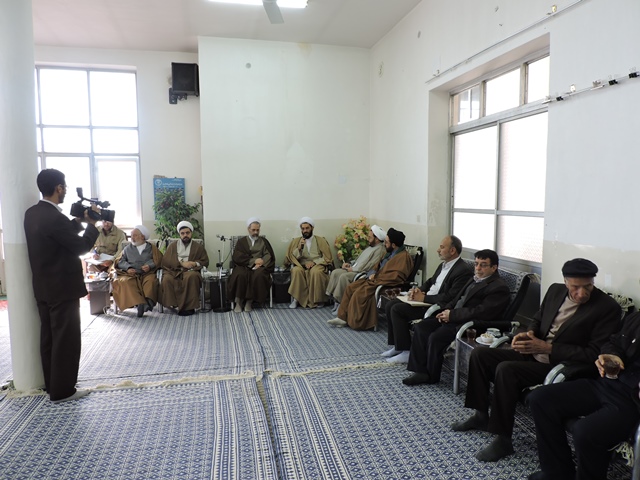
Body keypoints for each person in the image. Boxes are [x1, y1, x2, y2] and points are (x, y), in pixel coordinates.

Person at [451, 258, 622, 463]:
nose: (582, 293)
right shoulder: (555, 291)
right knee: (481, 355)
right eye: (576, 287)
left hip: (559, 365)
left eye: (588, 286)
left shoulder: (606, 307)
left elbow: (594, 353)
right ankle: (481, 415)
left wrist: (549, 348)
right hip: (535, 351)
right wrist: (529, 333)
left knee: (506, 369)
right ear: (566, 282)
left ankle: (503, 439)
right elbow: (538, 319)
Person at [527, 310, 640, 480]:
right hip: (606, 383)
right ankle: (556, 472)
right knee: (540, 399)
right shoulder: (636, 317)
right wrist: (611, 355)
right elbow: (614, 341)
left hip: (632, 401)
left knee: (585, 431)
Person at [24, 168, 100, 403]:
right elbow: (81, 247)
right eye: (64, 187)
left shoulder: (32, 213)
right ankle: (64, 391)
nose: (65, 191)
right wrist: (92, 225)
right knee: (66, 340)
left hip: (43, 287)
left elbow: (57, 234)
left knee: (49, 337)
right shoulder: (55, 218)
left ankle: (52, 385)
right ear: (59, 188)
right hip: (63, 288)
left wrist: (78, 221)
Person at [403, 249, 510, 386]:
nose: (478, 268)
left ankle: (431, 375)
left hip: (470, 324)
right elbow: (457, 299)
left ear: (494, 268)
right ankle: (420, 370)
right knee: (422, 327)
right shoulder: (474, 279)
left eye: (483, 265)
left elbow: (481, 312)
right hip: (453, 316)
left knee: (436, 337)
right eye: (476, 264)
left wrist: (452, 315)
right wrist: (445, 311)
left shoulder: (499, 287)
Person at [382, 235, 473, 364]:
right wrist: (418, 290)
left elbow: (450, 296)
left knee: (397, 309)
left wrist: (424, 298)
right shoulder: (443, 265)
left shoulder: (462, 270)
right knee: (390, 304)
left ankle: (406, 351)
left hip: (436, 306)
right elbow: (430, 281)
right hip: (426, 299)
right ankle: (397, 346)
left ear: (452, 250)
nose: (438, 250)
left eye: (442, 247)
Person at [327, 228, 413, 331]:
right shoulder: (389, 253)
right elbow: (377, 266)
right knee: (351, 288)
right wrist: (373, 274)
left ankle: (356, 322)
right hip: (376, 281)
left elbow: (396, 277)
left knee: (359, 293)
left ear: (394, 245)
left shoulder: (403, 257)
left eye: (386, 242)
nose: (384, 244)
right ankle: (342, 318)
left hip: (388, 286)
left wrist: (376, 278)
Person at [326, 225, 386, 315]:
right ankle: (335, 301)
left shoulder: (380, 250)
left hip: (361, 272)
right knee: (335, 272)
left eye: (370, 237)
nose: (368, 239)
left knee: (344, 277)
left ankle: (342, 304)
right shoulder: (370, 246)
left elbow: (370, 265)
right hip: (354, 268)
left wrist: (353, 269)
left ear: (377, 239)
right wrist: (349, 264)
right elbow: (359, 259)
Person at [159, 221, 209, 316]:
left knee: (191, 277)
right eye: (182, 233)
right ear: (179, 234)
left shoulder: (198, 247)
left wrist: (194, 263)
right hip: (174, 270)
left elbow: (205, 261)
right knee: (167, 279)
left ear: (191, 233)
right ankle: (174, 304)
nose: (185, 235)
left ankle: (189, 307)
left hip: (190, 270)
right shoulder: (172, 246)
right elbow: (166, 261)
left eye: (187, 233)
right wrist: (181, 263)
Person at [112, 225, 162, 317]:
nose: (132, 238)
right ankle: (140, 303)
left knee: (151, 282)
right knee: (125, 281)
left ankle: (147, 304)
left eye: (135, 235)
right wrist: (128, 268)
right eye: (131, 235)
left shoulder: (151, 248)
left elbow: (158, 259)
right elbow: (120, 261)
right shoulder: (127, 249)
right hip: (131, 274)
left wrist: (149, 266)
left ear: (142, 236)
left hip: (147, 273)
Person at [227, 217, 276, 312]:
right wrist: (253, 261)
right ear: (248, 229)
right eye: (253, 230)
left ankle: (250, 301)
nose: (255, 232)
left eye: (257, 230)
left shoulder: (264, 241)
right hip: (244, 265)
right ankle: (238, 302)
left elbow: (268, 255)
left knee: (258, 275)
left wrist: (261, 263)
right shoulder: (241, 242)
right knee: (240, 274)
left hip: (259, 266)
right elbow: (237, 256)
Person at [284, 217, 333, 309]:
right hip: (301, 265)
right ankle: (296, 299)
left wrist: (314, 262)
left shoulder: (320, 240)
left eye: (307, 228)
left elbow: (327, 257)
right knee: (296, 271)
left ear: (312, 228)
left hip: (317, 264)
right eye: (303, 229)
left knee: (316, 272)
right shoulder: (296, 241)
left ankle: (318, 300)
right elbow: (290, 258)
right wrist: (299, 248)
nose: (305, 231)